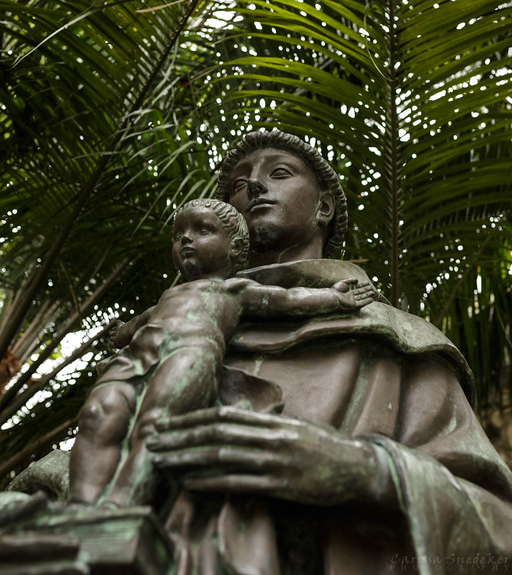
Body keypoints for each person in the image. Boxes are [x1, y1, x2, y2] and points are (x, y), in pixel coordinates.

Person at [148, 130, 512, 575]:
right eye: (240, 184)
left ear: (324, 208)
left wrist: (364, 471)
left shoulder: (401, 340)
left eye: (280, 173)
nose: (255, 185)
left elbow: (499, 530)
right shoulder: (171, 329)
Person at [68, 197, 374, 509]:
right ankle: (80, 505)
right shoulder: (167, 296)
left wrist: (333, 298)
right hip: (136, 358)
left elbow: (287, 299)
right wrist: (120, 332)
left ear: (236, 247)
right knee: (97, 415)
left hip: (187, 354)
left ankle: (121, 506)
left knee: (157, 423)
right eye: (179, 235)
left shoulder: (234, 291)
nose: (186, 239)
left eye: (202, 230)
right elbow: (136, 326)